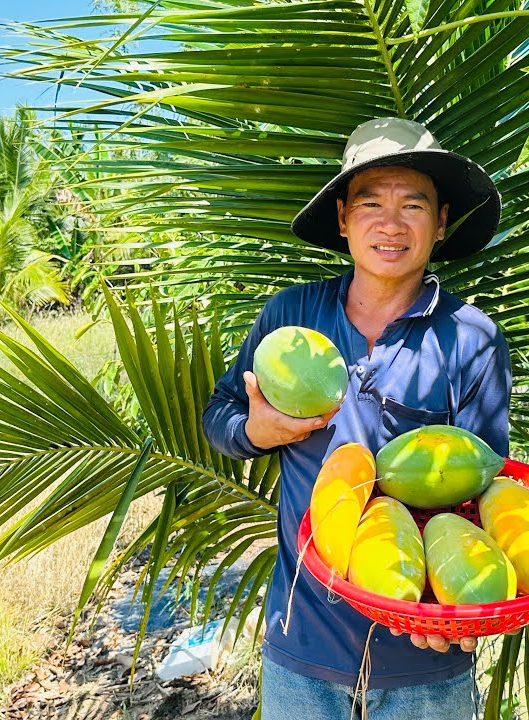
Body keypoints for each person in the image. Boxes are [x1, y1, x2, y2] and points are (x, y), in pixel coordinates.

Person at [203, 117, 511, 719]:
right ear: (343, 218)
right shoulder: (292, 318)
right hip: (302, 645)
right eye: (370, 202)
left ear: (441, 221)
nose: (390, 224)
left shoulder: (473, 339)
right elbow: (221, 416)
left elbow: (482, 490)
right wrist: (253, 433)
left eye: (413, 205)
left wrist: (449, 607)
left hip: (424, 656)